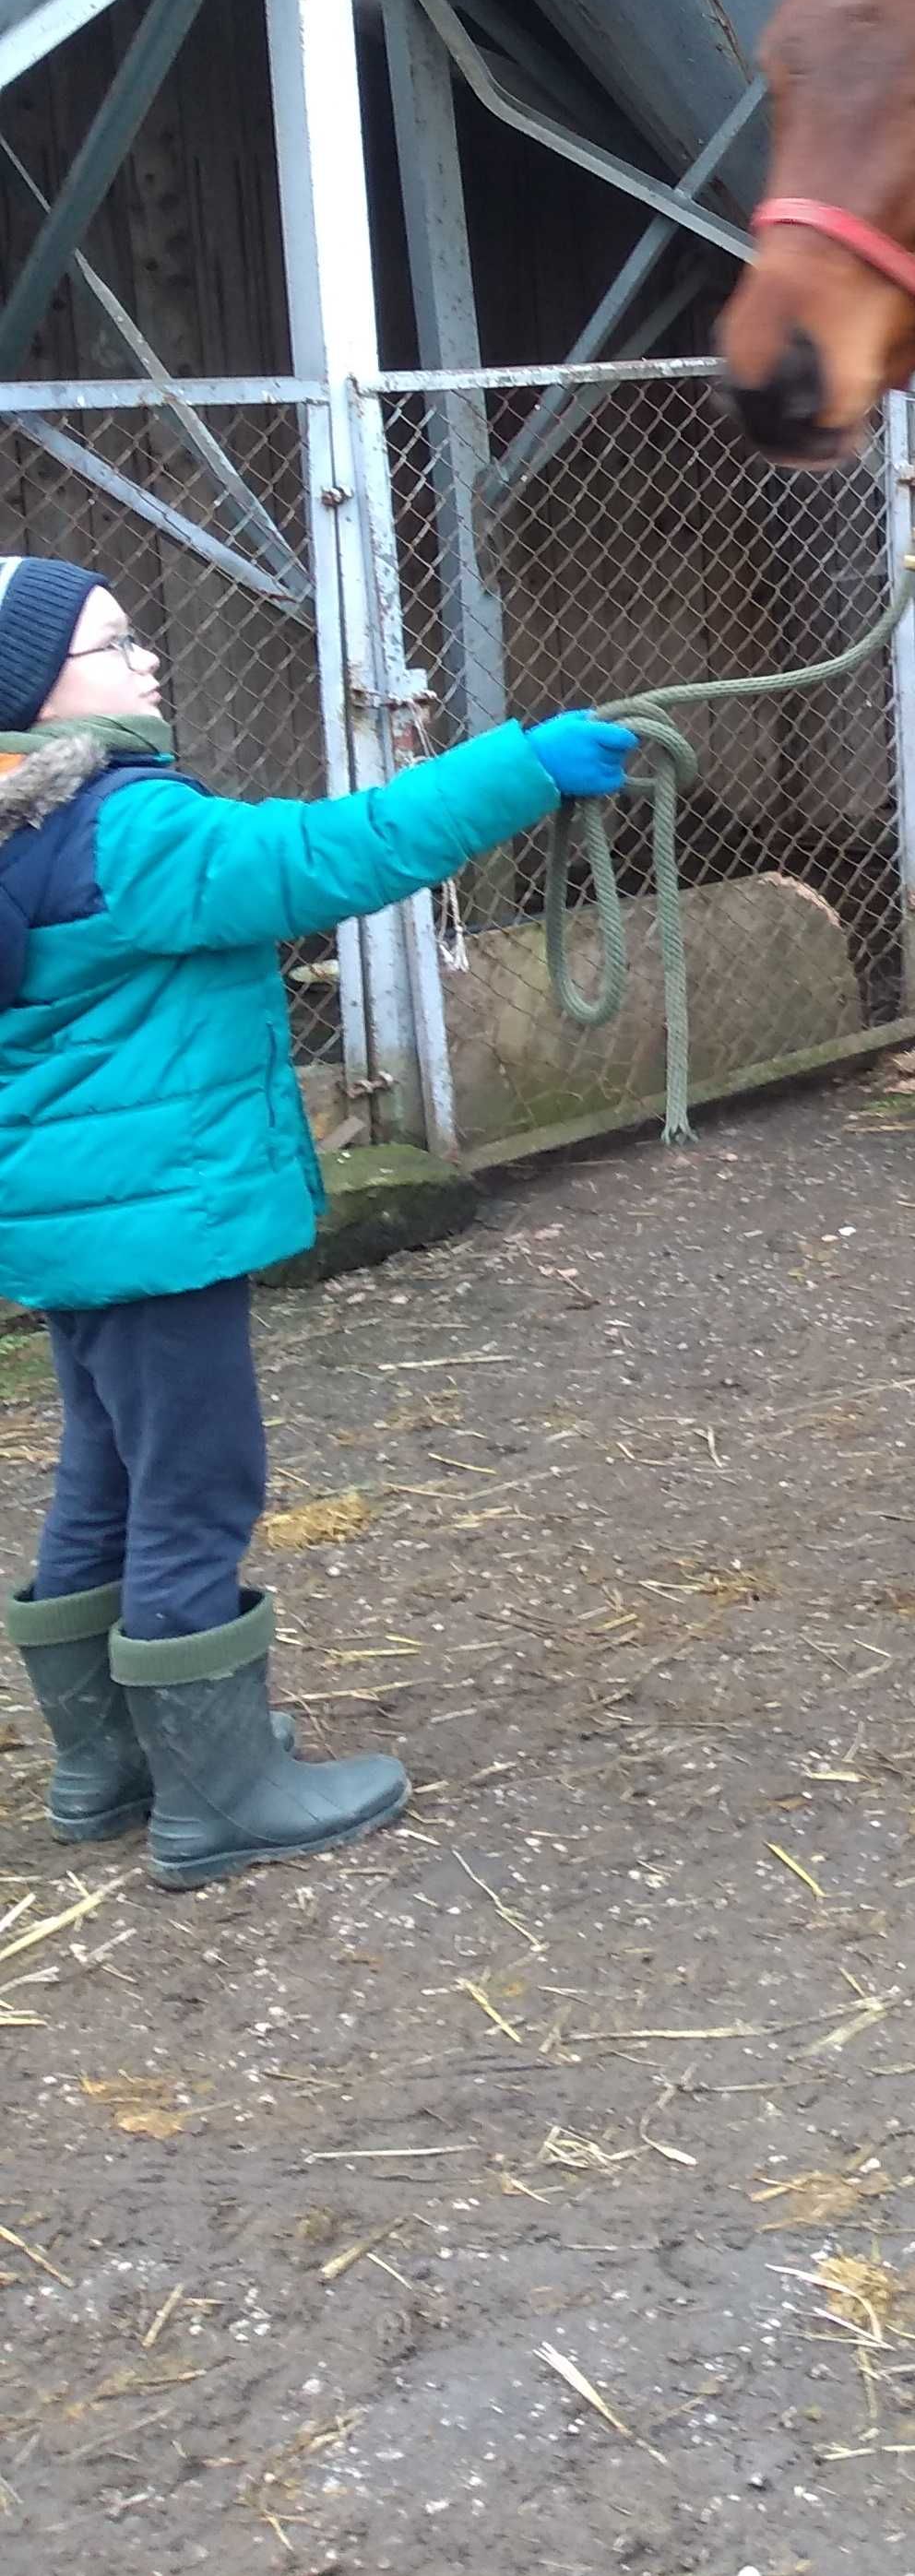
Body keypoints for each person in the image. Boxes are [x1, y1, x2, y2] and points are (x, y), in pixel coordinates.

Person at [0, 555, 637, 1887]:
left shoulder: (21, 827)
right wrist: (520, 768)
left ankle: (109, 1762)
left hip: (75, 1229)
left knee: (109, 1473)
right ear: (32, 688)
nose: (150, 664)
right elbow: (328, 856)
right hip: (156, 1229)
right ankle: (216, 1799)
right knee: (196, 1478)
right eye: (117, 647)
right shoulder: (127, 831)